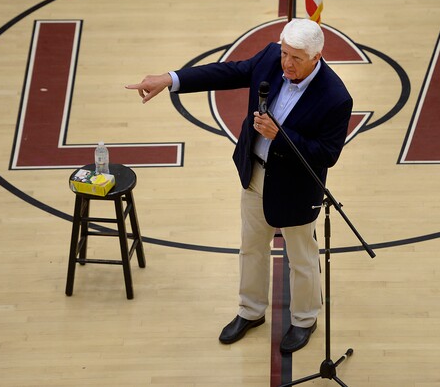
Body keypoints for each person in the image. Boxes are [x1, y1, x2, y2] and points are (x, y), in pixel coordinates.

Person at [126, 18, 353, 353]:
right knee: (251, 247)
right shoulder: (270, 58)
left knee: (301, 256)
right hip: (255, 173)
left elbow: (327, 154)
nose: (286, 63)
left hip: (297, 186)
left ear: (317, 57)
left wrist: (282, 136)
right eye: (285, 53)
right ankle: (250, 311)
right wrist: (170, 79)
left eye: (296, 58)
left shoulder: (335, 97)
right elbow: (225, 72)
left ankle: (305, 319)